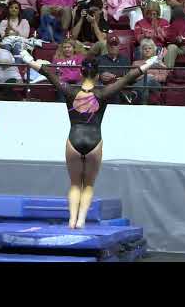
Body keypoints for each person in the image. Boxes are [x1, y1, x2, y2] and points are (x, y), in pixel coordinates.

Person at [20, 49, 164, 229]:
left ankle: (71, 220)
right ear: (97, 74)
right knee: (88, 185)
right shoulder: (103, 93)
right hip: (94, 141)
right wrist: (152, 60)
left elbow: (47, 72)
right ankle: (81, 220)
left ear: (81, 72)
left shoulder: (69, 90)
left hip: (74, 139)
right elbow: (130, 77)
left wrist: (26, 58)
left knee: (74, 184)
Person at [97, 35, 132, 104]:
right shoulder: (99, 59)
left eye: (115, 44)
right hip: (104, 88)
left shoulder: (125, 59)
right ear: (107, 46)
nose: (113, 47)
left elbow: (128, 75)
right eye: (111, 45)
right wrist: (100, 76)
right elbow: (93, 76)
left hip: (120, 87)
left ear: (119, 46)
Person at [131, 38, 166, 104]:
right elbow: (132, 78)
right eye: (145, 49)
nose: (147, 50)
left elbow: (163, 78)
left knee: (147, 79)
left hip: (156, 86)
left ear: (153, 50)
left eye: (150, 48)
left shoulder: (159, 63)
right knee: (145, 87)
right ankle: (143, 105)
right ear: (141, 51)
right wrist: (145, 77)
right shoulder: (136, 63)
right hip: (142, 86)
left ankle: (134, 93)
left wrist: (151, 77)